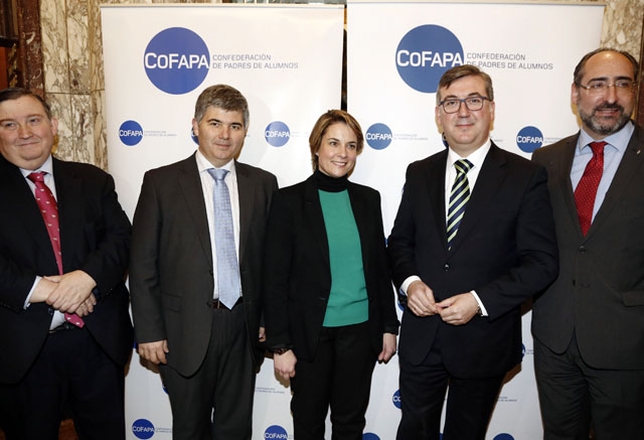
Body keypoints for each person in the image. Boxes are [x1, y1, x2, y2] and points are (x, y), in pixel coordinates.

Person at [387, 65, 559, 440]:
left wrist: (479, 301)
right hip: (422, 338)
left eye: (474, 100)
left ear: (492, 109)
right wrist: (411, 283)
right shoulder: (419, 173)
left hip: (484, 339)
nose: (462, 111)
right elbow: (399, 243)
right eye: (451, 102)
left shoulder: (524, 176)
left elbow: (541, 263)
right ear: (438, 115)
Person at [129, 84, 278, 440]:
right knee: (190, 430)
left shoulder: (263, 184)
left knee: (235, 430)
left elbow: (272, 263)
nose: (225, 135)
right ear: (195, 125)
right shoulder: (160, 183)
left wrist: (269, 320)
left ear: (244, 131)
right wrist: (149, 331)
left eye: (235, 126)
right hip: (184, 332)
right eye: (215, 123)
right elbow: (142, 263)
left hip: (243, 329)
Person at [0, 87, 133, 439]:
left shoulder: (92, 180)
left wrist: (86, 278)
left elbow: (121, 238)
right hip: (24, 350)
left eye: (33, 120)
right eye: (9, 124)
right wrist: (50, 290)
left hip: (97, 342)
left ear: (53, 125)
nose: (24, 132)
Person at [263, 109, 399, 439]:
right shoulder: (288, 201)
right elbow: (275, 278)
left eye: (351, 146)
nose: (342, 153)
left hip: (360, 332)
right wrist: (280, 346)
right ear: (316, 146)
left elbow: (379, 269)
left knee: (350, 423)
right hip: (310, 337)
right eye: (334, 143)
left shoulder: (368, 199)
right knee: (308, 423)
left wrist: (388, 326)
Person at [531, 48, 644, 439]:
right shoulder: (544, 160)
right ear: (575, 93)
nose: (610, 96)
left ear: (635, 91)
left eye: (622, 84)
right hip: (555, 341)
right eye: (597, 84)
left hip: (628, 346)